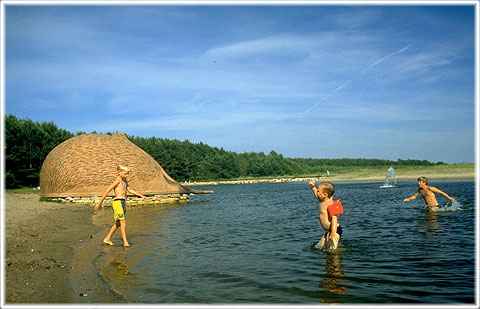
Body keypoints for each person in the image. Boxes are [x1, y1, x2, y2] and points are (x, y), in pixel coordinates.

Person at [94, 163, 147, 247]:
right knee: (123, 222)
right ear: (119, 172)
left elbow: (129, 189)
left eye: (127, 174)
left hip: (122, 203)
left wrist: (140, 195)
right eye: (125, 174)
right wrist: (99, 203)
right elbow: (108, 190)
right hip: (117, 202)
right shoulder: (118, 180)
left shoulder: (124, 180)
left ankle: (107, 239)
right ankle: (125, 243)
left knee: (119, 223)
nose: (126, 176)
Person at [309, 181, 342, 250]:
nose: (317, 193)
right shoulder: (323, 201)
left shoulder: (330, 204)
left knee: (332, 251)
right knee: (319, 247)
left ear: (325, 195)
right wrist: (313, 187)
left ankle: (335, 259)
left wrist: (333, 233)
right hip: (328, 231)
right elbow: (316, 195)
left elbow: (334, 218)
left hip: (334, 230)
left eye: (318, 191)